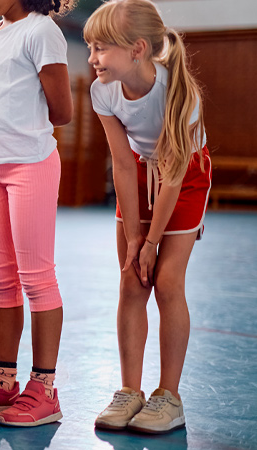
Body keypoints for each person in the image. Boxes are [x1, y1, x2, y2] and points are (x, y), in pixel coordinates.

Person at [85, 0, 211, 434]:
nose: (92, 58)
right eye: (90, 47)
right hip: (139, 171)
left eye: (100, 48)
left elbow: (175, 172)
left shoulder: (179, 91)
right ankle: (130, 391)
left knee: (167, 281)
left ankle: (168, 397)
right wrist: (135, 239)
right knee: (131, 279)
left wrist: (152, 241)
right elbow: (122, 162)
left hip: (185, 174)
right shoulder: (101, 90)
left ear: (137, 49)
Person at [0, 0, 75, 427]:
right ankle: (5, 378)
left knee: (36, 277)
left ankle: (45, 388)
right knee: (1, 279)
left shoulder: (41, 31)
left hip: (28, 164)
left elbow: (63, 111)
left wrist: (19, 119)